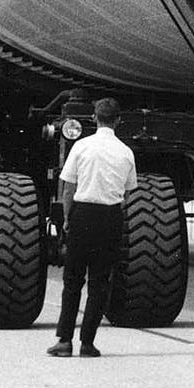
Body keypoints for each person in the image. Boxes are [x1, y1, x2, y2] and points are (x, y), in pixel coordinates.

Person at [50, 98, 136, 358]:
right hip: (110, 217)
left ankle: (64, 341)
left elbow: (68, 188)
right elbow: (128, 192)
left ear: (94, 118)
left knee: (73, 281)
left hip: (82, 214)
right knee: (100, 283)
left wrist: (67, 219)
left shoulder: (81, 146)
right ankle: (88, 343)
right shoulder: (126, 152)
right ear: (118, 120)